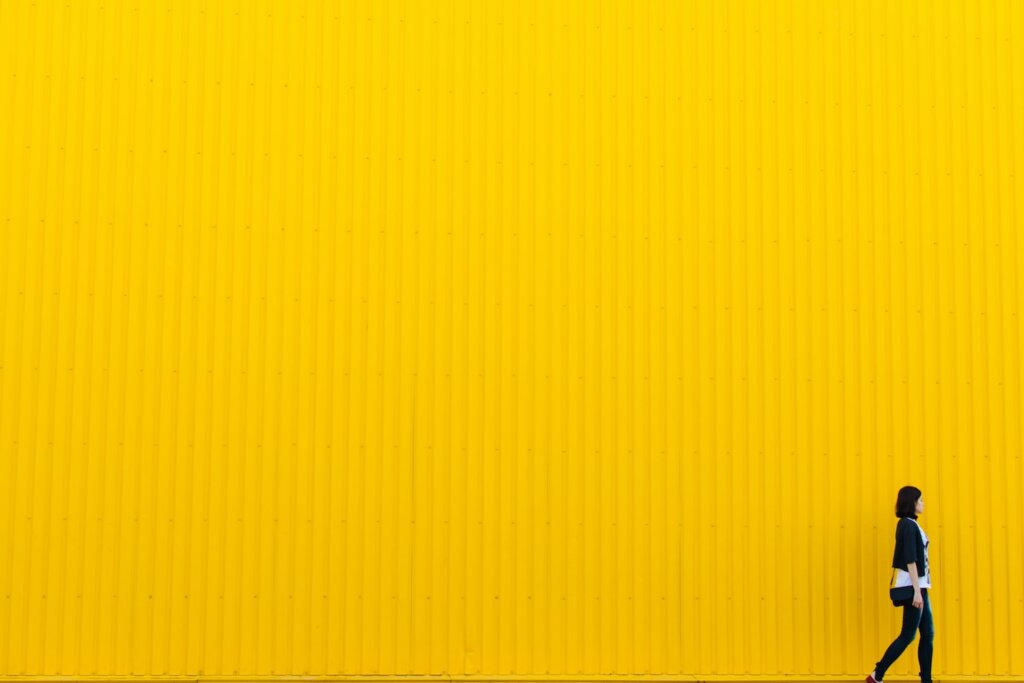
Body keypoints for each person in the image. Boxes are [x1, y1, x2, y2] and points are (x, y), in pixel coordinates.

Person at [867, 486, 934, 683]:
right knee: (908, 635)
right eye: (920, 500)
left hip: (921, 586)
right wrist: (916, 591)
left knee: (928, 634)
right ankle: (877, 674)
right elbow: (910, 559)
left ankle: (926, 679)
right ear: (912, 503)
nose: (923, 503)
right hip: (915, 587)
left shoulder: (912, 524)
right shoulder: (907, 524)